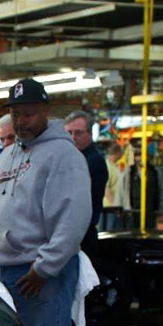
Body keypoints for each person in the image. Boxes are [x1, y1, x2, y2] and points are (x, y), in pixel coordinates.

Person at [0, 79, 92, 326]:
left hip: (37, 276)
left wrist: (44, 267)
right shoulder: (6, 156)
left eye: (29, 114)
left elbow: (72, 220)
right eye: (16, 114)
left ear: (45, 111)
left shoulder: (64, 156)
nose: (21, 121)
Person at [65, 110, 109, 257]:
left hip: (83, 236)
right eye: (69, 132)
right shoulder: (70, 158)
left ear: (89, 134)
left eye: (78, 133)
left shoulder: (93, 161)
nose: (73, 138)